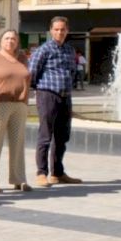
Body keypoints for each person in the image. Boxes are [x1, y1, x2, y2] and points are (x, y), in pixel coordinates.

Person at [28, 16, 82, 187]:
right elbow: (32, 72)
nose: (59, 32)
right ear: (51, 30)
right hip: (48, 95)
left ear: (67, 31)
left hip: (65, 96)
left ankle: (57, 173)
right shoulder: (43, 50)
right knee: (45, 135)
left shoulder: (70, 50)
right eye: (56, 29)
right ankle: (41, 173)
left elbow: (72, 72)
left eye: (62, 29)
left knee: (62, 136)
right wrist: (39, 90)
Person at [0, 29, 32, 194]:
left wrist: (26, 98)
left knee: (18, 143)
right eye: (7, 38)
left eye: (13, 39)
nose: (10, 41)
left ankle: (19, 179)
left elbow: (27, 78)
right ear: (1, 41)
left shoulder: (22, 58)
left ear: (17, 42)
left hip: (19, 104)